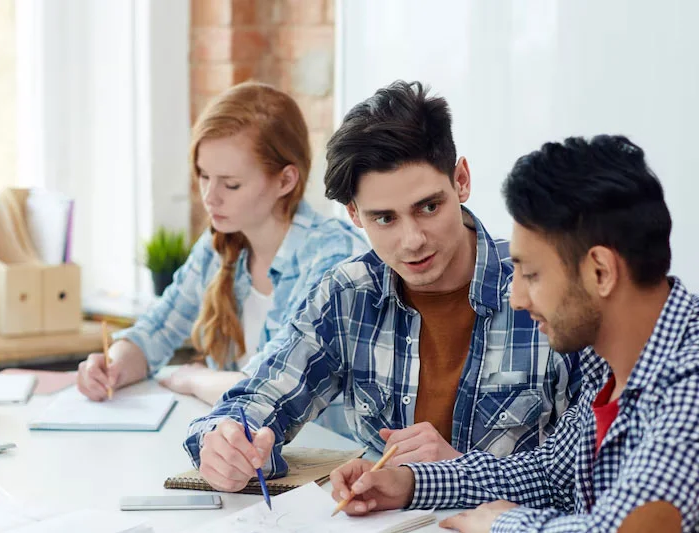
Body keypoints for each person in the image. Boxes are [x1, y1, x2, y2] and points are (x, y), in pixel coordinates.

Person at [183, 81, 581, 493]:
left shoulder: (544, 293)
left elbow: (588, 475)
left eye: (429, 207)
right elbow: (253, 401)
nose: (412, 240)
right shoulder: (347, 295)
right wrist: (226, 443)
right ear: (355, 215)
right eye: (384, 219)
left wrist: (460, 472)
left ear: (460, 180)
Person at [328, 135, 699, 532]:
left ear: (600, 272)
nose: (516, 298)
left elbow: (629, 529)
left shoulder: (689, 379)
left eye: (532, 274)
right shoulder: (608, 369)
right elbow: (549, 475)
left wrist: (501, 525)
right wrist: (411, 484)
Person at [76, 82, 369, 406]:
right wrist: (112, 365)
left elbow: (269, 385)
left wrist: (192, 377)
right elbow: (156, 332)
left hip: (322, 451)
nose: (209, 197)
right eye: (203, 176)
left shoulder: (335, 258)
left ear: (285, 180)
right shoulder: (220, 244)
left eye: (231, 184)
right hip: (236, 444)